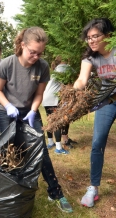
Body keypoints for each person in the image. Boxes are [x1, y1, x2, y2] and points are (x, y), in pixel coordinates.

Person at [0, 27, 73, 213]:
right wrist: (8, 106)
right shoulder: (7, 64)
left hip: (30, 111)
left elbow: (39, 93)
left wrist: (32, 110)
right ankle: (8, 192)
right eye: (32, 52)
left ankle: (55, 192)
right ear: (22, 45)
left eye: (40, 53)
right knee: (7, 150)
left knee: (41, 150)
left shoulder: (43, 66)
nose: (36, 56)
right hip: (7, 110)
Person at [73, 18, 116, 207]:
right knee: (97, 142)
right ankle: (93, 188)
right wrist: (75, 89)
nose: (91, 41)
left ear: (108, 36)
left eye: (95, 36)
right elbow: (82, 79)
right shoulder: (91, 57)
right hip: (107, 102)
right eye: (88, 37)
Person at [42, 56, 77, 154]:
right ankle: (58, 148)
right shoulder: (64, 67)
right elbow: (77, 74)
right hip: (53, 98)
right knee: (57, 122)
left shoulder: (56, 69)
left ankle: (50, 142)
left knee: (50, 121)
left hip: (46, 98)